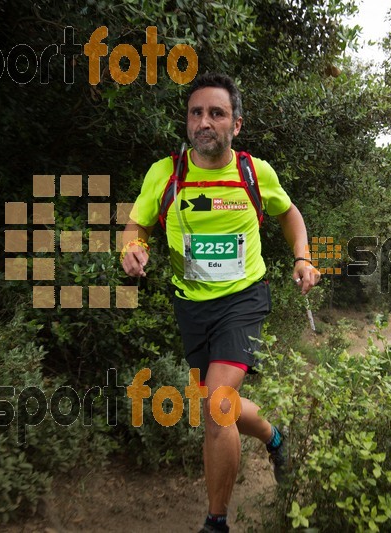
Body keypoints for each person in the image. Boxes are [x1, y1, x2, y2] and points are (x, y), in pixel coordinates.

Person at [120, 72, 320, 533]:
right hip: (191, 305)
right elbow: (137, 226)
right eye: (196, 113)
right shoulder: (166, 174)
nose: (204, 121)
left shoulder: (254, 172)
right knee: (216, 402)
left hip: (244, 300)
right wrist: (132, 249)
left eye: (216, 113)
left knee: (215, 406)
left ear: (236, 124)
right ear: (187, 122)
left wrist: (303, 256)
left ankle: (216, 522)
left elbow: (288, 212)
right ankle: (274, 437)